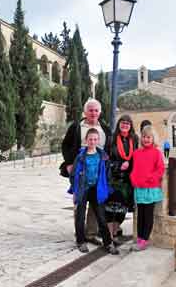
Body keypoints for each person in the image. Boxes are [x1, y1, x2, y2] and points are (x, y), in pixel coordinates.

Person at [60, 99, 111, 246]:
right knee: (80, 203)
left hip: (98, 171)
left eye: (96, 110)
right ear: (85, 112)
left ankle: (91, 234)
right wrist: (69, 163)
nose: (93, 113)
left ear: (100, 112)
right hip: (80, 170)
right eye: (90, 110)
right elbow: (66, 145)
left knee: (96, 204)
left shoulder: (105, 129)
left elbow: (108, 149)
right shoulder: (76, 127)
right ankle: (80, 234)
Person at [69, 128, 118, 255]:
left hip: (96, 189)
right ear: (86, 140)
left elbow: (107, 175)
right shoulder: (80, 157)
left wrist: (106, 189)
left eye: (95, 139)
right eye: (90, 139)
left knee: (101, 216)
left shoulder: (102, 156)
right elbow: (73, 175)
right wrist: (75, 191)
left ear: (98, 140)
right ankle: (80, 240)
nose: (92, 141)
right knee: (80, 215)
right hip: (83, 188)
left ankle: (108, 242)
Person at [130, 125, 165, 251]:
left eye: (149, 137)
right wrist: (133, 178)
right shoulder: (136, 153)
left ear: (153, 138)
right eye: (144, 137)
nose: (146, 139)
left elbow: (160, 168)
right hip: (139, 188)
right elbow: (134, 169)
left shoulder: (156, 152)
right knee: (140, 215)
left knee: (148, 215)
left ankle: (144, 239)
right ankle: (139, 238)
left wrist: (151, 177)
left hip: (150, 188)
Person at [107, 115, 138, 245]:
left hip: (127, 180)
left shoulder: (134, 139)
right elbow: (106, 159)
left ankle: (115, 230)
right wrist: (118, 165)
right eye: (123, 123)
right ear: (119, 124)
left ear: (130, 126)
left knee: (122, 208)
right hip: (113, 179)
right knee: (110, 208)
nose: (125, 125)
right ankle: (109, 235)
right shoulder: (111, 139)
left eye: (128, 123)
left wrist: (130, 166)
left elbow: (137, 157)